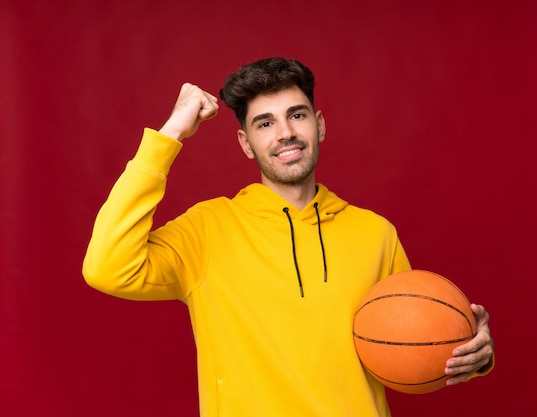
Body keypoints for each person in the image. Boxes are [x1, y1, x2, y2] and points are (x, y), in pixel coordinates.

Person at [83, 57, 494, 417]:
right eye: (265, 123)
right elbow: (107, 267)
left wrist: (467, 352)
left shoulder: (376, 233)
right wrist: (170, 134)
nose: (285, 133)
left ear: (319, 125)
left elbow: (407, 347)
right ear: (246, 144)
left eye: (297, 115)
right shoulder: (207, 229)